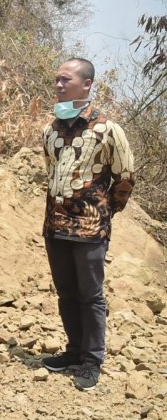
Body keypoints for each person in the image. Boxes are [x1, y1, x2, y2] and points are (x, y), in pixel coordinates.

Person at [40, 57, 135, 391]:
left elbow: (125, 178)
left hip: (90, 229)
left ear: (87, 84)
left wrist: (104, 213)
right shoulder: (50, 129)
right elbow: (51, 174)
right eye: (57, 80)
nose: (59, 85)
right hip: (55, 226)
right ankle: (73, 351)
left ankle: (91, 362)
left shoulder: (108, 130)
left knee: (90, 295)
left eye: (66, 80)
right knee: (66, 293)